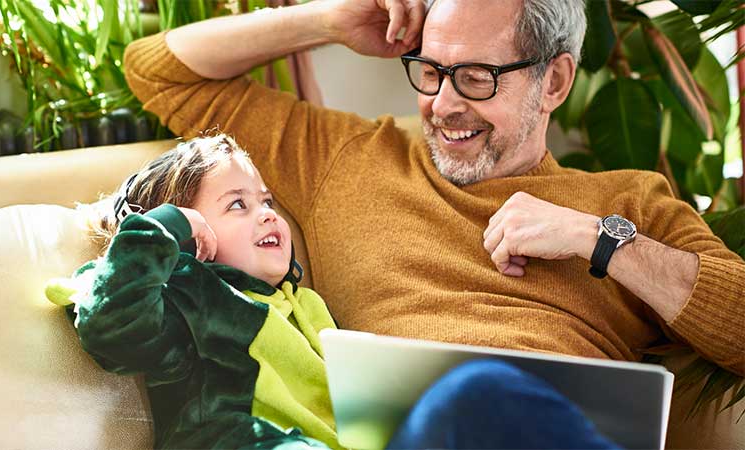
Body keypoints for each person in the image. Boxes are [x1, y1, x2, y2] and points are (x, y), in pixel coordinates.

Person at [120, 0, 744, 447]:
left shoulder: (629, 203)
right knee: (470, 395)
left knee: (481, 394)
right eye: (431, 70)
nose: (444, 105)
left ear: (553, 81)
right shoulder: (349, 156)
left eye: (476, 78)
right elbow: (156, 70)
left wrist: (597, 240)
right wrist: (328, 19)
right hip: (403, 437)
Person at [47, 133, 341, 450]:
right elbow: (112, 323)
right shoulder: (187, 293)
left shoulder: (306, 304)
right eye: (238, 204)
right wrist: (165, 226)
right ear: (189, 239)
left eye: (266, 201)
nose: (268, 213)